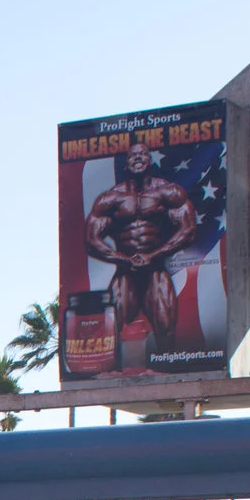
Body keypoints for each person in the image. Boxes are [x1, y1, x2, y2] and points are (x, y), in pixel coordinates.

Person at [85, 142, 198, 347]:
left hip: (155, 270)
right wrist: (124, 259)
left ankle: (168, 367)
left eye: (143, 154)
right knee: (109, 334)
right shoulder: (111, 198)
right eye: (132, 155)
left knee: (166, 329)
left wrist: (153, 255)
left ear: (150, 160)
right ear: (125, 164)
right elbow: (91, 240)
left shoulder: (168, 191)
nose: (137, 157)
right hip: (125, 273)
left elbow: (188, 230)